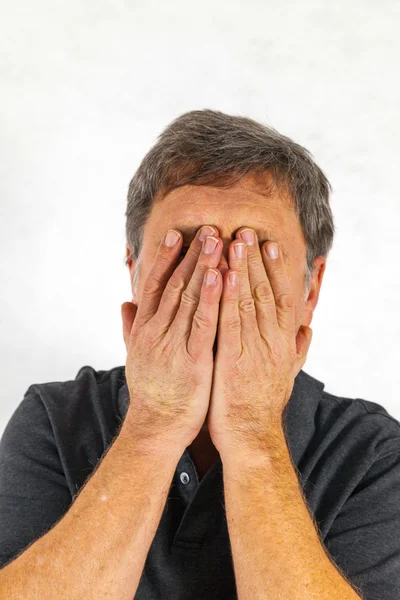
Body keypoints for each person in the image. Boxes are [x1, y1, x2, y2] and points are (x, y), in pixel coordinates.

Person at [0, 109, 399, 599]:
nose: (218, 285)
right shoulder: (53, 421)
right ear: (134, 271)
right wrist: (155, 423)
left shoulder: (373, 453)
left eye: (255, 254)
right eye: (187, 248)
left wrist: (253, 434)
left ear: (310, 289)